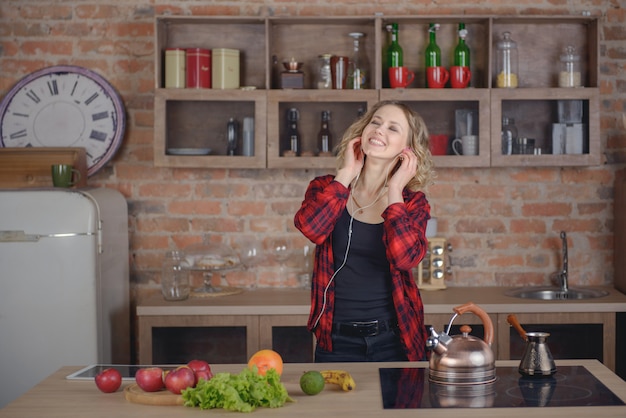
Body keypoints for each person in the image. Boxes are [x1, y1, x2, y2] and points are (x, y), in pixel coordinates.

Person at [294, 100, 434, 362]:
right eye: (376, 122)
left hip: (394, 339)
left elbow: (405, 259)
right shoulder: (327, 186)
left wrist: (394, 191)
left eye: (393, 128)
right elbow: (311, 228)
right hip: (334, 340)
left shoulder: (412, 203)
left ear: (408, 150)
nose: (380, 130)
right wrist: (346, 173)